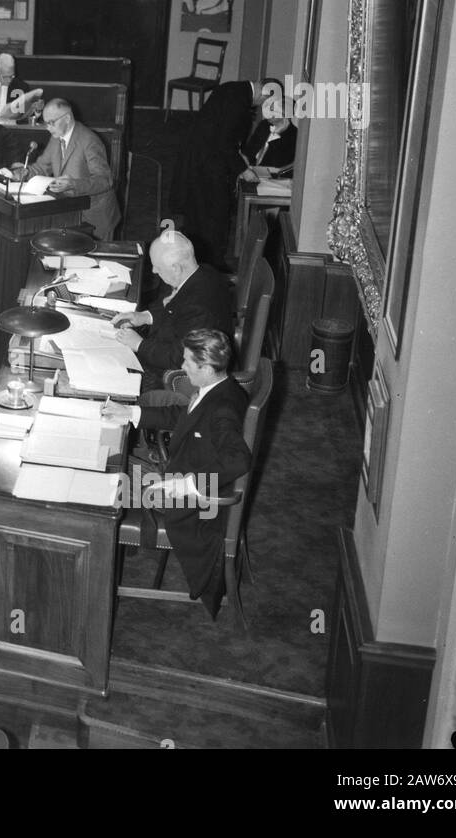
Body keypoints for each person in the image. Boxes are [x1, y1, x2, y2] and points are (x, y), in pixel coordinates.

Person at [103, 328, 251, 619]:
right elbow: (182, 418)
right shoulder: (221, 387)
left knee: (107, 476)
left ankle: (108, 553)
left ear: (207, 367)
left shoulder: (223, 410)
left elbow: (238, 459)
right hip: (180, 470)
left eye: (187, 362)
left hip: (192, 502)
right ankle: (124, 549)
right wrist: (131, 414)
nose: (181, 367)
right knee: (114, 457)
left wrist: (188, 486)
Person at [111, 231, 235, 391]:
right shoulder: (203, 273)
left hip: (176, 377)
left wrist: (139, 344)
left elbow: (178, 357)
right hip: (170, 345)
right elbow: (173, 305)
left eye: (158, 267)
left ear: (176, 268)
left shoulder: (199, 308)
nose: (154, 271)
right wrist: (144, 316)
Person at [169, 77, 272, 268]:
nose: (263, 108)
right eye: (266, 103)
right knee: (216, 214)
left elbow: (223, 134)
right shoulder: (240, 102)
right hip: (207, 162)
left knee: (200, 212)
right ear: (263, 93)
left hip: (201, 156)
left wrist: (239, 156)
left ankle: (199, 260)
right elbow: (224, 142)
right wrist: (243, 170)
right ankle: (212, 264)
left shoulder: (235, 88)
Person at [9, 98, 120, 240]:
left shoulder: (89, 141)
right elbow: (42, 166)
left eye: (51, 122)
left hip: (95, 216)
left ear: (67, 118)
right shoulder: (56, 137)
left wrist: (73, 184)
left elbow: (104, 180)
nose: (47, 128)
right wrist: (26, 172)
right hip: (70, 212)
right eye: (45, 123)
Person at [239, 116, 296, 181]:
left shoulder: (294, 134)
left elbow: (280, 166)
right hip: (250, 174)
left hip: (273, 181)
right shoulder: (264, 125)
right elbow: (249, 151)